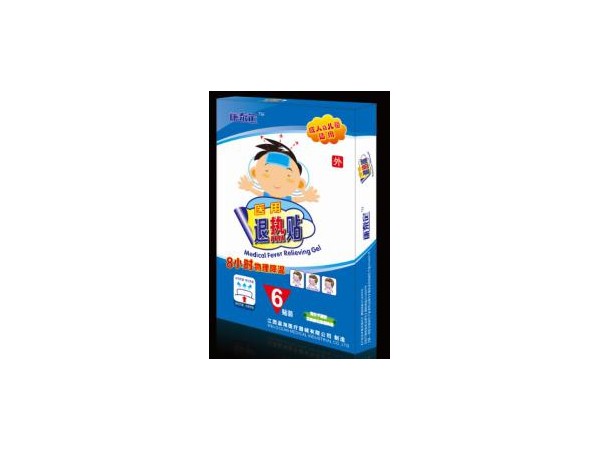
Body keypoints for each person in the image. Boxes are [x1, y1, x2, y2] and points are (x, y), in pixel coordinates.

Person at [238, 138, 319, 202]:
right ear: (254, 173)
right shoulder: (267, 196)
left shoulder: (287, 199)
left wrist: (306, 198)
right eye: (267, 171)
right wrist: (249, 188)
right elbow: (259, 193)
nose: (277, 181)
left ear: (299, 184)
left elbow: (296, 200)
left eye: (288, 175)